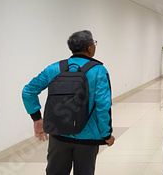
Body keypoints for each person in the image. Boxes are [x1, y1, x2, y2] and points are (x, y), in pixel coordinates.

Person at [22, 30, 115, 175]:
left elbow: (28, 91)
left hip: (58, 135)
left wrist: (37, 118)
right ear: (90, 48)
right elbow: (103, 107)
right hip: (88, 138)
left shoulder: (54, 68)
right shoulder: (99, 71)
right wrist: (107, 135)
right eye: (94, 43)